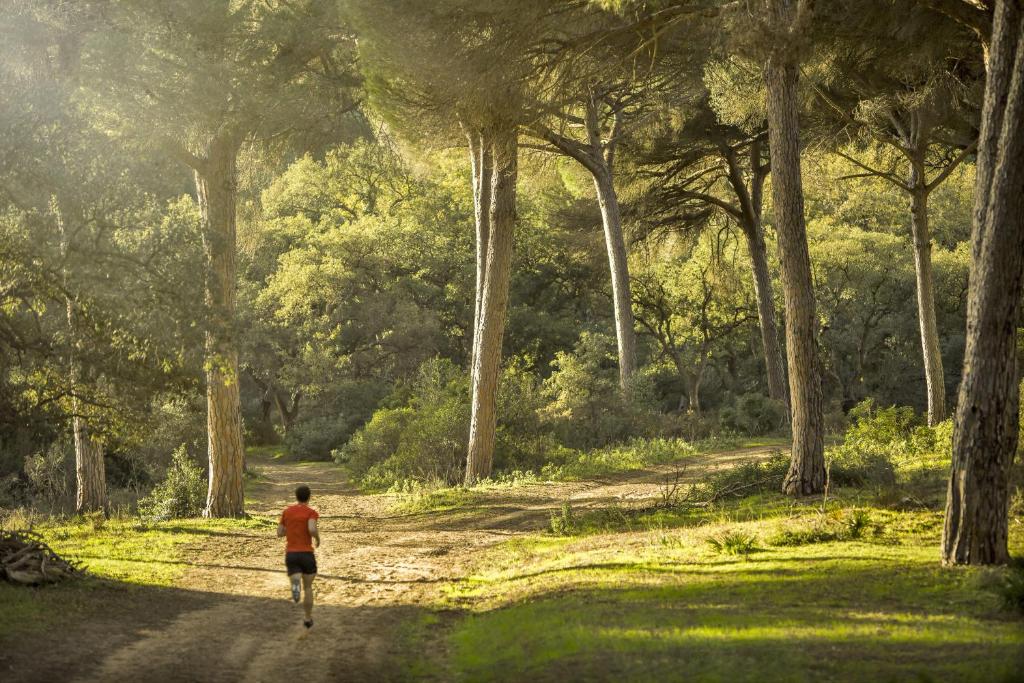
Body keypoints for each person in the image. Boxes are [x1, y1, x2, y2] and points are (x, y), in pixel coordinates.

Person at [277, 484, 321, 628]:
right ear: (309, 497)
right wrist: (317, 538)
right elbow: (312, 529)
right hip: (306, 553)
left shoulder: (287, 512)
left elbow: (280, 532)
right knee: (308, 587)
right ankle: (307, 618)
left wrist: (291, 529)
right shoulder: (311, 512)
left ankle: (295, 583)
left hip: (291, 554)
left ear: (296, 497)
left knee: (295, 577)